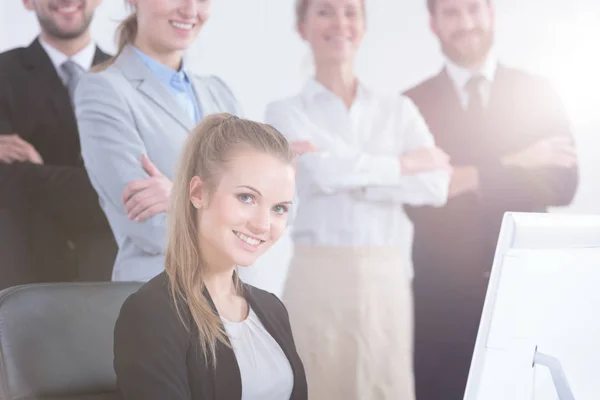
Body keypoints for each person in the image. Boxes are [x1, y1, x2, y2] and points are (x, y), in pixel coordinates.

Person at [265, 0, 451, 398]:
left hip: (387, 281)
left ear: (364, 25)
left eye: (351, 11)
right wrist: (403, 164)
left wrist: (347, 172)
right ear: (302, 26)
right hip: (318, 277)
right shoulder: (284, 112)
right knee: (314, 384)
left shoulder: (398, 109)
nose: (340, 22)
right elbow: (318, 173)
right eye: (325, 11)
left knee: (385, 386)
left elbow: (437, 186)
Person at [403, 0, 579, 399]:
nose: (465, 23)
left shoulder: (536, 91)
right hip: (443, 299)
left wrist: (463, 178)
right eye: (451, 13)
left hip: (527, 289)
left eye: (473, 9)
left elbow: (563, 182)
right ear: (433, 23)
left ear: (491, 13)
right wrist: (519, 163)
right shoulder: (409, 105)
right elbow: (416, 199)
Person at [113, 113, 307, 400]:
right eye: (247, 198)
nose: (263, 225)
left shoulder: (272, 309)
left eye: (279, 208)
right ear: (198, 192)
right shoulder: (152, 314)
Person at [75, 0, 242, 282]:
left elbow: (280, 207)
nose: (189, 10)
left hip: (238, 296)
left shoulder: (218, 92)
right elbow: (152, 228)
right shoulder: (104, 90)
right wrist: (239, 209)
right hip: (162, 297)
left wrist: (179, 196)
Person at [0, 0, 117, 288]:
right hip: (25, 279)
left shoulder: (127, 77)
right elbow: (7, 182)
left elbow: (139, 191)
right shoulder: (2, 73)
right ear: (28, 2)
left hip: (112, 277)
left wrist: (38, 170)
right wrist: (105, 187)